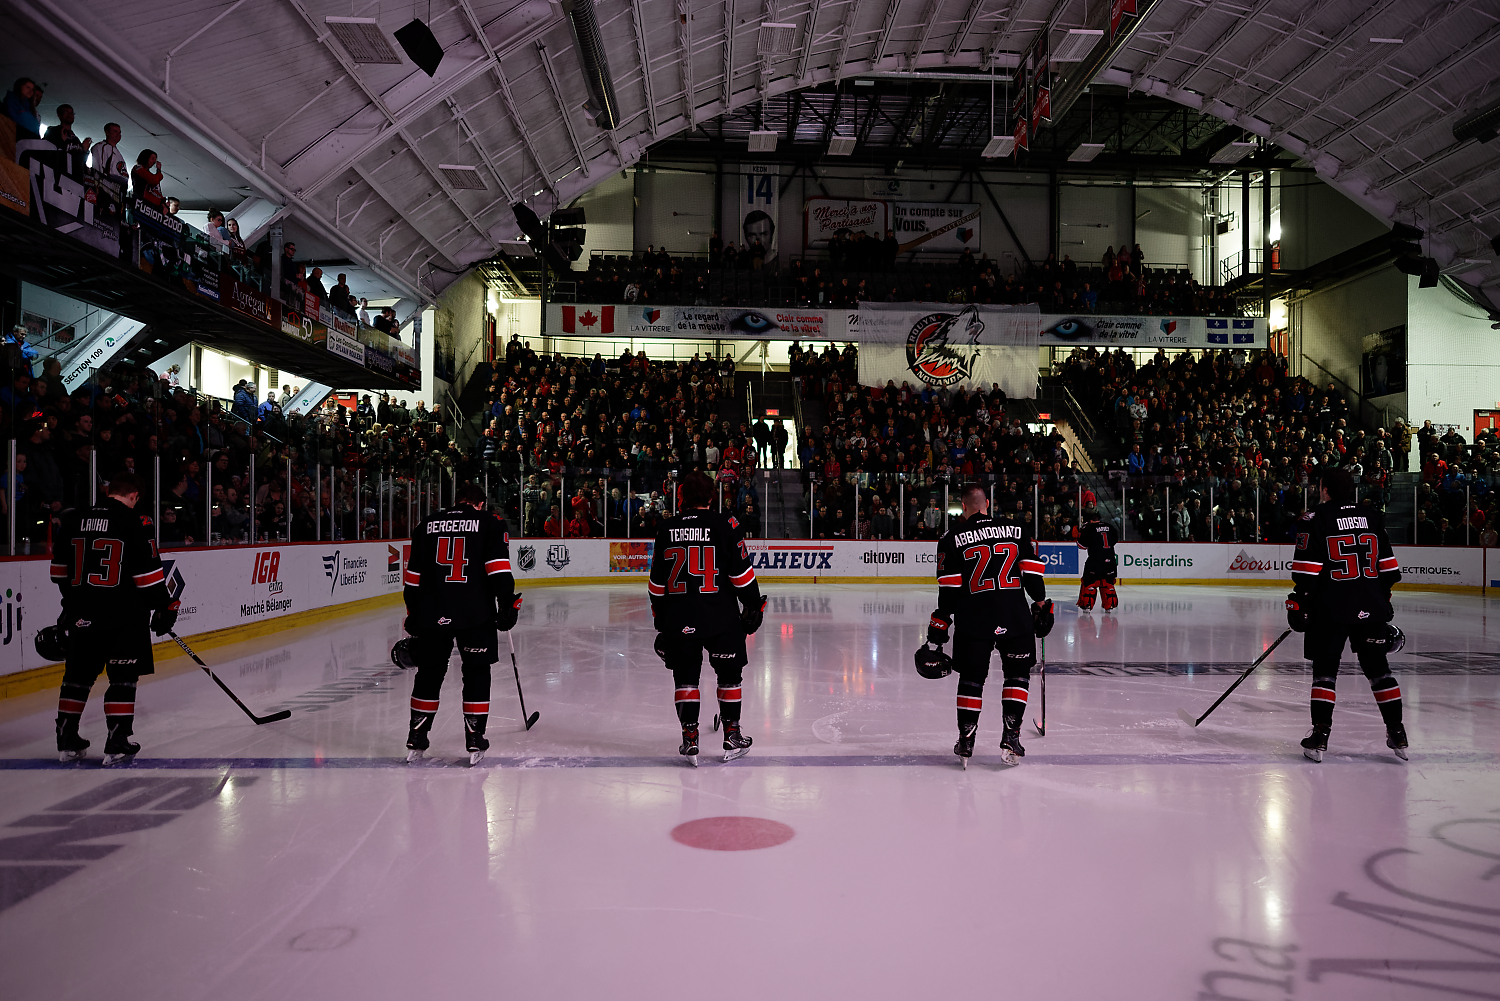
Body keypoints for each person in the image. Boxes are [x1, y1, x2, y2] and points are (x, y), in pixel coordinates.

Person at [915, 481, 1053, 764]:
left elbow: (949, 591)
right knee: (1017, 676)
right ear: (987, 503)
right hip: (1014, 616)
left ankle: (966, 740)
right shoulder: (1015, 529)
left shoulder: (951, 537)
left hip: (973, 619)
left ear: (963, 506)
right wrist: (1040, 604)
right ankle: (1011, 737)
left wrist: (937, 634)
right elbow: (1031, 573)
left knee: (971, 679)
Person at [47, 472, 179, 764]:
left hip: (81, 613)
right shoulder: (135, 521)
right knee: (122, 677)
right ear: (134, 496)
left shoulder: (72, 519)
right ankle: (117, 741)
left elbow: (58, 573)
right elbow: (146, 578)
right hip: (124, 614)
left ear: (109, 491)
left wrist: (74, 601)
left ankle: (66, 740)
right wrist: (165, 606)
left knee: (77, 676)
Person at [1286, 467, 1406, 762]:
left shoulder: (1315, 519)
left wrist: (1300, 602)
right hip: (1371, 606)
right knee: (1379, 670)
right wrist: (1378, 599)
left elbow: (1306, 574)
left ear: (1324, 488)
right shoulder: (1373, 517)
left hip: (1330, 609)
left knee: (1325, 672)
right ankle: (1398, 732)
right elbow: (1390, 571)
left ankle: (1320, 738)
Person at [648, 470, 765, 764]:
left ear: (681, 497)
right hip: (721, 617)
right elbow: (741, 576)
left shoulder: (666, 528)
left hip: (679, 617)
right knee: (729, 675)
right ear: (712, 497)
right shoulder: (727, 524)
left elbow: (656, 586)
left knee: (685, 677)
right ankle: (732, 734)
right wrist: (752, 606)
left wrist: (662, 623)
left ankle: (690, 738)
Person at [398, 482, 520, 764]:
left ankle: (417, 736)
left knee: (428, 674)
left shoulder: (426, 525)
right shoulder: (490, 523)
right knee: (476, 673)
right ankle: (475, 739)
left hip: (431, 612)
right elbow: (499, 570)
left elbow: (412, 579)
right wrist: (507, 605)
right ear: (478, 504)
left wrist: (412, 614)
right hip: (475, 614)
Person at [1075, 507, 1118, 611]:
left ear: (1089, 520)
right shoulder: (1110, 527)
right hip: (1110, 561)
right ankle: (1110, 605)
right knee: (1108, 583)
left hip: (1095, 561)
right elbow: (1114, 541)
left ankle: (1087, 605)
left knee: (1090, 583)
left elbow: (1081, 546)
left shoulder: (1088, 528)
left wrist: (1080, 532)